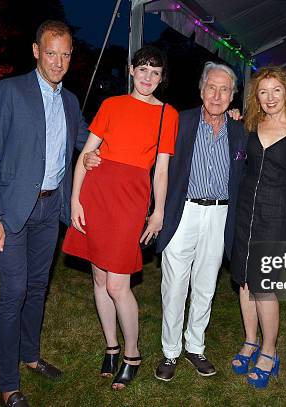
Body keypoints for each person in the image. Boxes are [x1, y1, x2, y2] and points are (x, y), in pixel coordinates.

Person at [0, 20, 89, 407]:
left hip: (50, 208)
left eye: (66, 54)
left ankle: (30, 356)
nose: (58, 62)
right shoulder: (9, 91)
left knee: (38, 289)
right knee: (14, 292)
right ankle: (8, 384)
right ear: (36, 51)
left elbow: (89, 144)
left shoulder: (70, 101)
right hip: (11, 211)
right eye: (52, 52)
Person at [62, 45, 179, 390]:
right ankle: (111, 347)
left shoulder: (166, 114)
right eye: (143, 70)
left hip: (130, 200)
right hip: (96, 194)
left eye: (155, 73)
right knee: (99, 280)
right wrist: (74, 201)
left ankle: (132, 354)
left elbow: (161, 169)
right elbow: (87, 153)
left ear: (162, 78)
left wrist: (158, 211)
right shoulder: (111, 105)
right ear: (131, 70)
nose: (148, 78)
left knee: (118, 284)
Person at [149, 62, 248, 381]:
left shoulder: (240, 130)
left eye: (224, 90)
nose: (217, 95)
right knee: (175, 284)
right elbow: (153, 160)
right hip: (184, 211)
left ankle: (195, 346)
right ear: (201, 90)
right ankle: (170, 352)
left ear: (233, 96)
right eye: (212, 87)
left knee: (206, 284)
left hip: (220, 214)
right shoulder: (180, 121)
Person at [229, 66, 286, 389]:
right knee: (244, 281)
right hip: (245, 206)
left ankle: (269, 351)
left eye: (276, 90)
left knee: (263, 284)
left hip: (275, 211)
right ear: (256, 97)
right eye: (263, 92)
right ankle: (250, 340)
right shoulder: (250, 124)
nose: (270, 97)